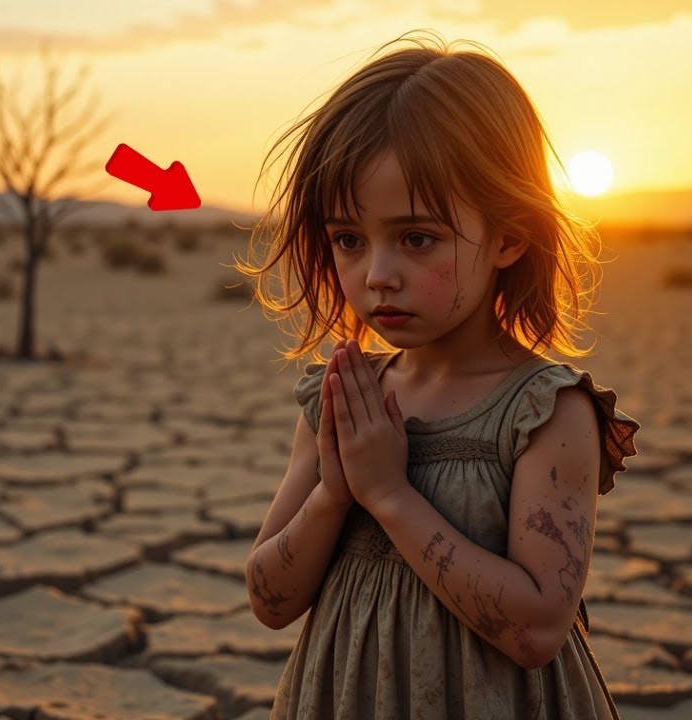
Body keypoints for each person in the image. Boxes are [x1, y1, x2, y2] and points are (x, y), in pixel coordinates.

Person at [235, 29, 642, 719]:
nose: (378, 275)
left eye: (417, 238)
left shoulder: (545, 412)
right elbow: (269, 600)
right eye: (348, 240)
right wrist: (335, 494)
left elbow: (539, 628)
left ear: (510, 235)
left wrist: (390, 496)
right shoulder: (344, 400)